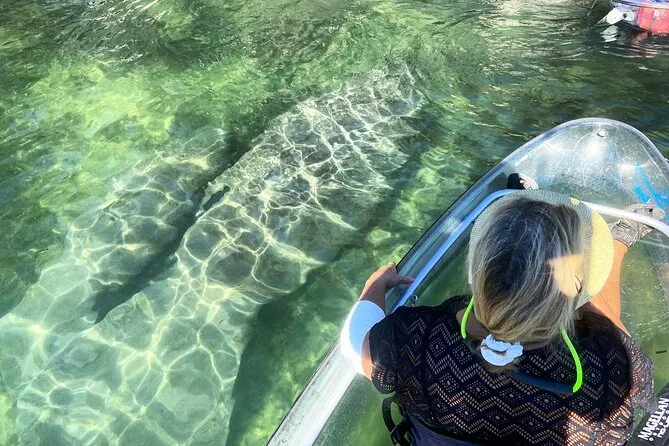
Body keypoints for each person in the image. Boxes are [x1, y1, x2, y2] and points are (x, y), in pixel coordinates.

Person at [340, 186, 665, 445]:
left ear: (477, 270)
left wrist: (374, 285)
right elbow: (619, 355)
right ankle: (619, 241)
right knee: (604, 328)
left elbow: (354, 341)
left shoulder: (414, 340)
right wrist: (581, 304)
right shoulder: (609, 376)